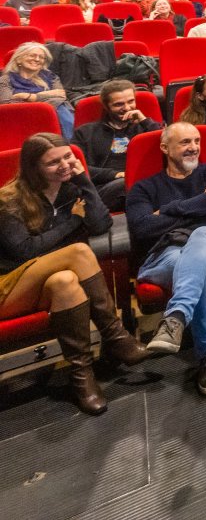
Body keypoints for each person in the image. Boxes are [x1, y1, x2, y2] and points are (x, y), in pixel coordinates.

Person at [0, 133, 146, 414]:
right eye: (53, 162)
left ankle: (82, 377)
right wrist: (73, 220)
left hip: (45, 285)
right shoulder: (9, 200)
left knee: (65, 282)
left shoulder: (71, 190)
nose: (65, 165)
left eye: (68, 156)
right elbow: (25, 251)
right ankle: (115, 335)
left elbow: (101, 224)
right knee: (78, 251)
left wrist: (85, 182)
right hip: (9, 286)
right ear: (34, 168)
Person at [125, 122, 206, 396]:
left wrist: (167, 211)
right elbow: (142, 227)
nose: (194, 147)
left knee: (201, 234)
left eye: (197, 141)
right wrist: (200, 204)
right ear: (165, 148)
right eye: (185, 142)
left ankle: (175, 317)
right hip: (165, 253)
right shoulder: (144, 188)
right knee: (200, 271)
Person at [70, 79, 161, 211]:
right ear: (106, 106)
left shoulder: (144, 127)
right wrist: (115, 174)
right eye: (119, 104)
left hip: (144, 182)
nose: (127, 108)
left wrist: (145, 121)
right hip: (107, 187)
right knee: (129, 184)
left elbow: (168, 147)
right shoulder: (85, 132)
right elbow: (77, 167)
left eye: (131, 101)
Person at [0, 42, 75, 137]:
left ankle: (70, 143)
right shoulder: (5, 80)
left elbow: (61, 95)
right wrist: (48, 96)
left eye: (41, 57)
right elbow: (7, 104)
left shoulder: (51, 77)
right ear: (19, 59)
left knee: (60, 105)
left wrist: (32, 97)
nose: (37, 59)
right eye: (32, 55)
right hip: (20, 120)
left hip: (54, 117)